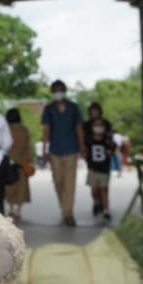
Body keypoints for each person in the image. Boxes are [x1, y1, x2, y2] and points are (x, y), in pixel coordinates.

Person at [41, 79, 87, 226]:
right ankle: (65, 209)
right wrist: (44, 150)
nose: (58, 93)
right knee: (58, 181)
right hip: (55, 150)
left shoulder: (74, 108)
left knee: (70, 182)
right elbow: (46, 130)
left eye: (60, 90)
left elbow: (79, 128)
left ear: (64, 91)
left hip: (71, 149)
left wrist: (82, 146)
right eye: (55, 90)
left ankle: (69, 214)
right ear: (52, 93)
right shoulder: (49, 109)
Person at [83, 117, 115, 221]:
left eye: (100, 125)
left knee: (103, 190)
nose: (98, 127)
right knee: (94, 191)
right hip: (92, 169)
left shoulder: (108, 140)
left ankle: (105, 210)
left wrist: (110, 151)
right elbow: (85, 152)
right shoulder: (88, 140)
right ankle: (96, 202)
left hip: (104, 169)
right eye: (96, 125)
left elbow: (112, 150)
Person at [5, 108, 32, 220]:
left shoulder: (6, 129)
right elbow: (28, 147)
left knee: (9, 186)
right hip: (22, 162)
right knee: (22, 186)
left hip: (9, 162)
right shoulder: (24, 130)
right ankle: (18, 211)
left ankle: (10, 208)